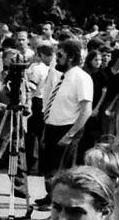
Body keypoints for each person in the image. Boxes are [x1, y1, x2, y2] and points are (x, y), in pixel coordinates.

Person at [40, 39, 94, 184]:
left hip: (67, 128)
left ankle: (58, 200)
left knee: (62, 170)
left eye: (60, 55)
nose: (56, 59)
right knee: (49, 168)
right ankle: (50, 196)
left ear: (70, 57)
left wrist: (70, 135)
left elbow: (86, 110)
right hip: (52, 127)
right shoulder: (63, 76)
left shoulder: (82, 78)